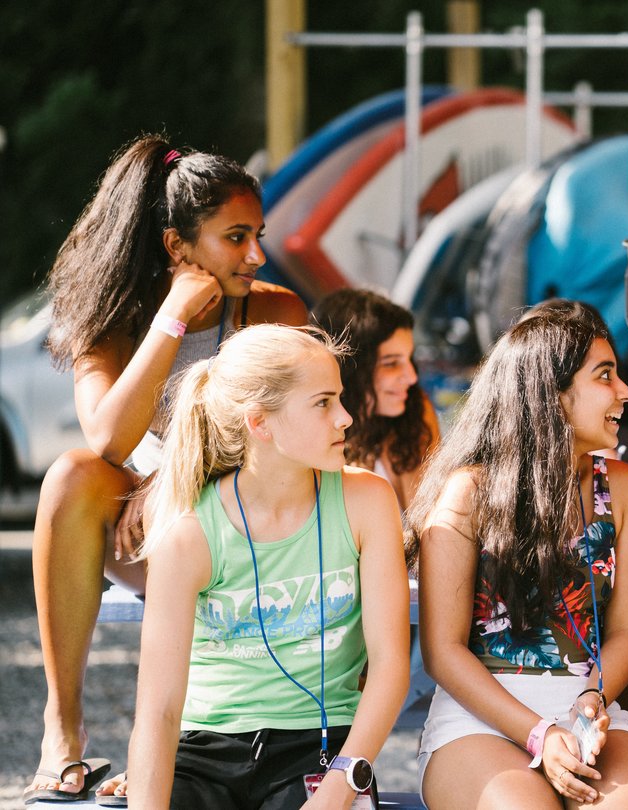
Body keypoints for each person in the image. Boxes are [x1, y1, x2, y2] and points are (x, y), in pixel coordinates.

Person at [25, 135, 307, 805]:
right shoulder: (111, 323)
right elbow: (107, 437)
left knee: (167, 502)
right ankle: (61, 728)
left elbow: (285, 449)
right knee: (71, 477)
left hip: (249, 527)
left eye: (258, 235)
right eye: (235, 237)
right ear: (178, 247)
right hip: (152, 531)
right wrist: (173, 317)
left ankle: (176, 754)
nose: (257, 254)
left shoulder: (275, 312)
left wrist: (172, 482)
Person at [125, 324, 410, 808]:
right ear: (260, 423)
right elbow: (159, 709)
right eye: (323, 403)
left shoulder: (366, 502)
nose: (345, 418)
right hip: (202, 751)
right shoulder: (191, 527)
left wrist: (341, 785)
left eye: (339, 399)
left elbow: (390, 668)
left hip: (321, 749)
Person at [408, 303, 628, 809]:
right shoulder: (466, 492)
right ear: (550, 395)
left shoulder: (623, 488)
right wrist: (539, 736)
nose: (625, 392)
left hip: (589, 710)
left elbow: (626, 634)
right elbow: (442, 653)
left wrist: (592, 701)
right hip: (479, 718)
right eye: (604, 376)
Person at [311, 288, 441, 512]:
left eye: (410, 359)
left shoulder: (412, 410)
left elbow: (426, 520)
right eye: (391, 363)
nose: (411, 377)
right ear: (349, 368)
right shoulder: (311, 437)